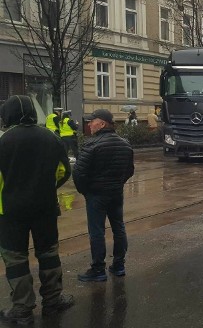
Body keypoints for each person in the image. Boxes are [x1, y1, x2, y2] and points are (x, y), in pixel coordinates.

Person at [0, 95, 75, 324]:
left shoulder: (3, 141)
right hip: (45, 208)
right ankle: (53, 300)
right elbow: (64, 170)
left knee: (15, 259)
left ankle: (22, 308)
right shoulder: (50, 138)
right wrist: (45, 188)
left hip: (10, 212)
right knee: (48, 253)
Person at [73, 109, 134, 282]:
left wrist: (86, 191)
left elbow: (78, 173)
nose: (89, 124)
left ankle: (98, 269)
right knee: (119, 228)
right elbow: (129, 171)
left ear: (102, 123)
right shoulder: (125, 144)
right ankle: (119, 265)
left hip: (96, 195)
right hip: (116, 193)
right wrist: (117, 183)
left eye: (92, 121)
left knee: (97, 231)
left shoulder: (92, 144)